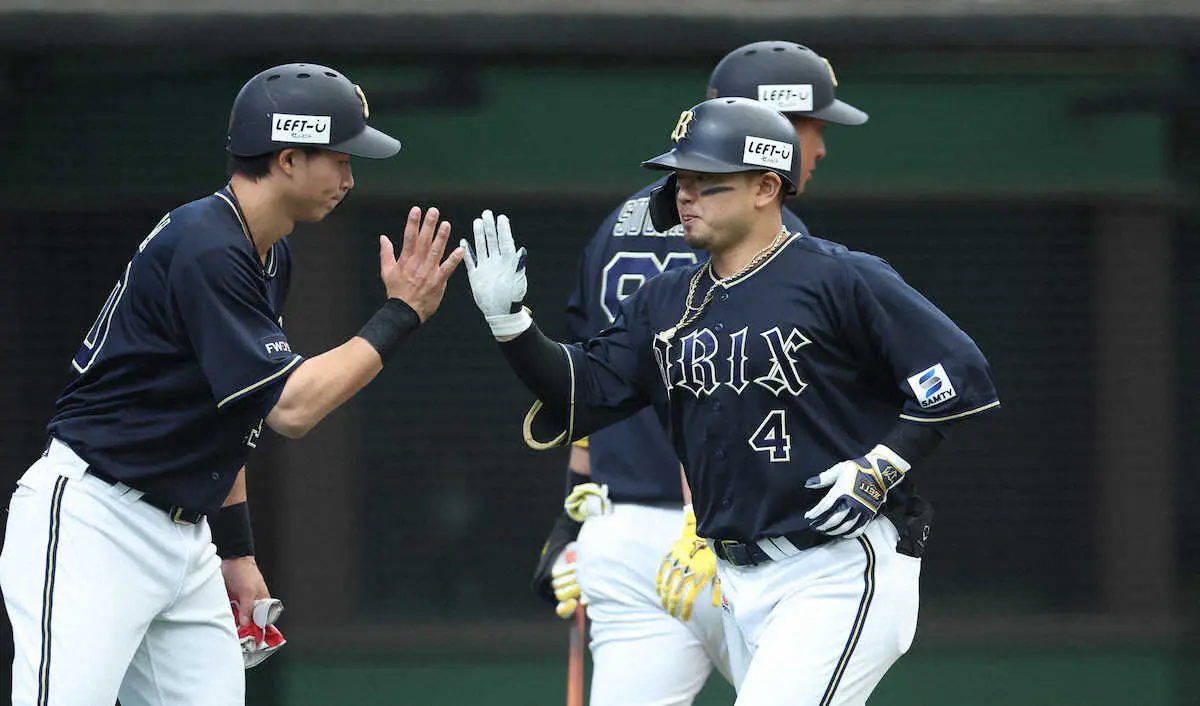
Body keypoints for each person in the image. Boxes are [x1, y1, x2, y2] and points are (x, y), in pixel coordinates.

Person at [464, 97, 998, 704]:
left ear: (766, 187)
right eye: (680, 180)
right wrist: (510, 323)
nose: (684, 195)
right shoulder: (665, 300)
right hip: (734, 579)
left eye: (705, 180)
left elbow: (957, 373)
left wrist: (883, 465)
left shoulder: (839, 277)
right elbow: (581, 389)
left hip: (836, 566)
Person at [0, 63, 462, 706]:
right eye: (339, 159)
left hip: (183, 534)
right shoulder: (208, 245)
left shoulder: (267, 249)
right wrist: (401, 313)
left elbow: (232, 409)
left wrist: (235, 550)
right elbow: (291, 407)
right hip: (96, 520)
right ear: (288, 159)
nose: (350, 178)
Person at [528, 41, 868, 705]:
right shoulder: (764, 238)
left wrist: (573, 514)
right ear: (763, 126)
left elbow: (592, 382)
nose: (820, 147)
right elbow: (722, 395)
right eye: (809, 126)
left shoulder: (622, 221)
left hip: (623, 534)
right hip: (736, 536)